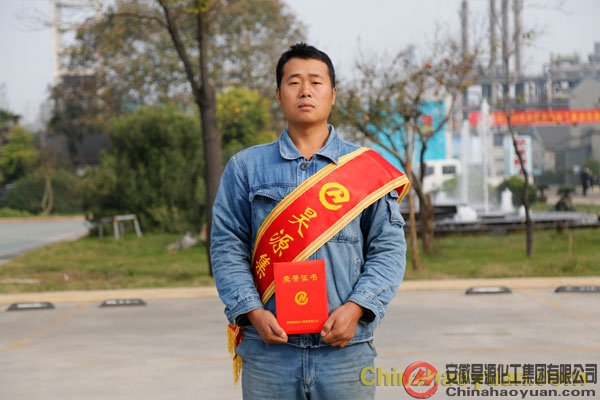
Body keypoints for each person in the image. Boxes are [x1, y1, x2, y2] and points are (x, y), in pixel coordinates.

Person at [210, 43, 409, 399]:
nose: (305, 91)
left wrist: (357, 307)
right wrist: (252, 311)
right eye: (294, 82)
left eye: (316, 82)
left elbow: (388, 249)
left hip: (345, 350)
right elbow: (227, 248)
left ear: (333, 94)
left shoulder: (365, 169)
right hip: (269, 353)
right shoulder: (245, 167)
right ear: (278, 94)